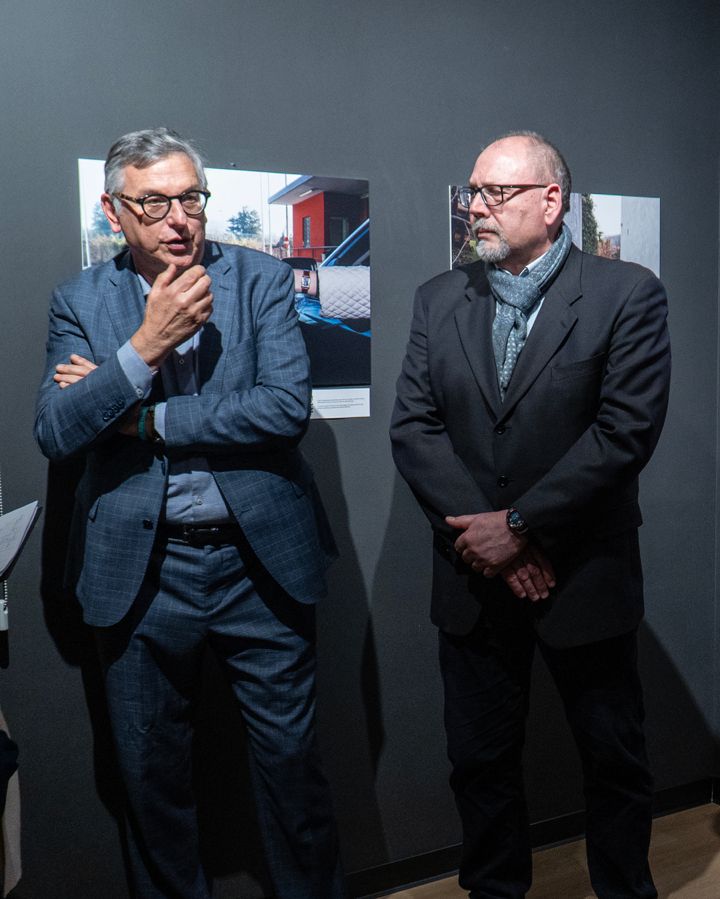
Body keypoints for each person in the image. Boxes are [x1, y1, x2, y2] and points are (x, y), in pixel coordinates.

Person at [34, 128, 343, 897]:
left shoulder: (260, 280)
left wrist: (134, 414)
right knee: (150, 783)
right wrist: (142, 348)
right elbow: (56, 429)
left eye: (190, 199)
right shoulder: (80, 301)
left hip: (258, 562)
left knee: (294, 775)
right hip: (142, 572)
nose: (179, 219)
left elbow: (282, 408)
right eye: (155, 203)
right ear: (114, 210)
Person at [390, 131, 669, 899]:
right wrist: (494, 539)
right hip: (474, 582)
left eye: (495, 193)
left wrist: (519, 528)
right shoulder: (439, 298)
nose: (476, 207)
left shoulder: (626, 294)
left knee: (614, 763)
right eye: (472, 193)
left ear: (552, 203)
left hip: (584, 578)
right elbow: (414, 429)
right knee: (479, 764)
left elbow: (624, 434)